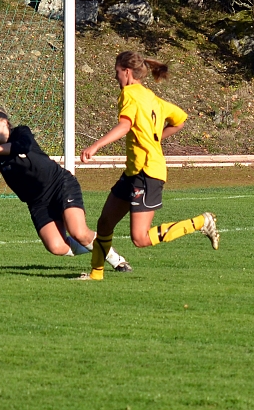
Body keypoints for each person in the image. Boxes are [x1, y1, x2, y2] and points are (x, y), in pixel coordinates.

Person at [0, 105, 132, 272]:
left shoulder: (21, 133)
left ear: (4, 121)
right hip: (38, 202)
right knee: (56, 246)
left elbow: (22, 146)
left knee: (78, 232)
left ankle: (116, 260)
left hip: (60, 185)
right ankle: (97, 247)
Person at [78, 51, 219, 281]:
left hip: (147, 172)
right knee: (105, 223)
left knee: (140, 238)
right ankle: (96, 274)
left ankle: (201, 222)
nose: (115, 77)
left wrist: (95, 146)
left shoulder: (130, 94)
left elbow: (125, 125)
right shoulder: (151, 97)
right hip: (134, 171)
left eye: (117, 72)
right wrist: (155, 139)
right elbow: (180, 120)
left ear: (126, 72)